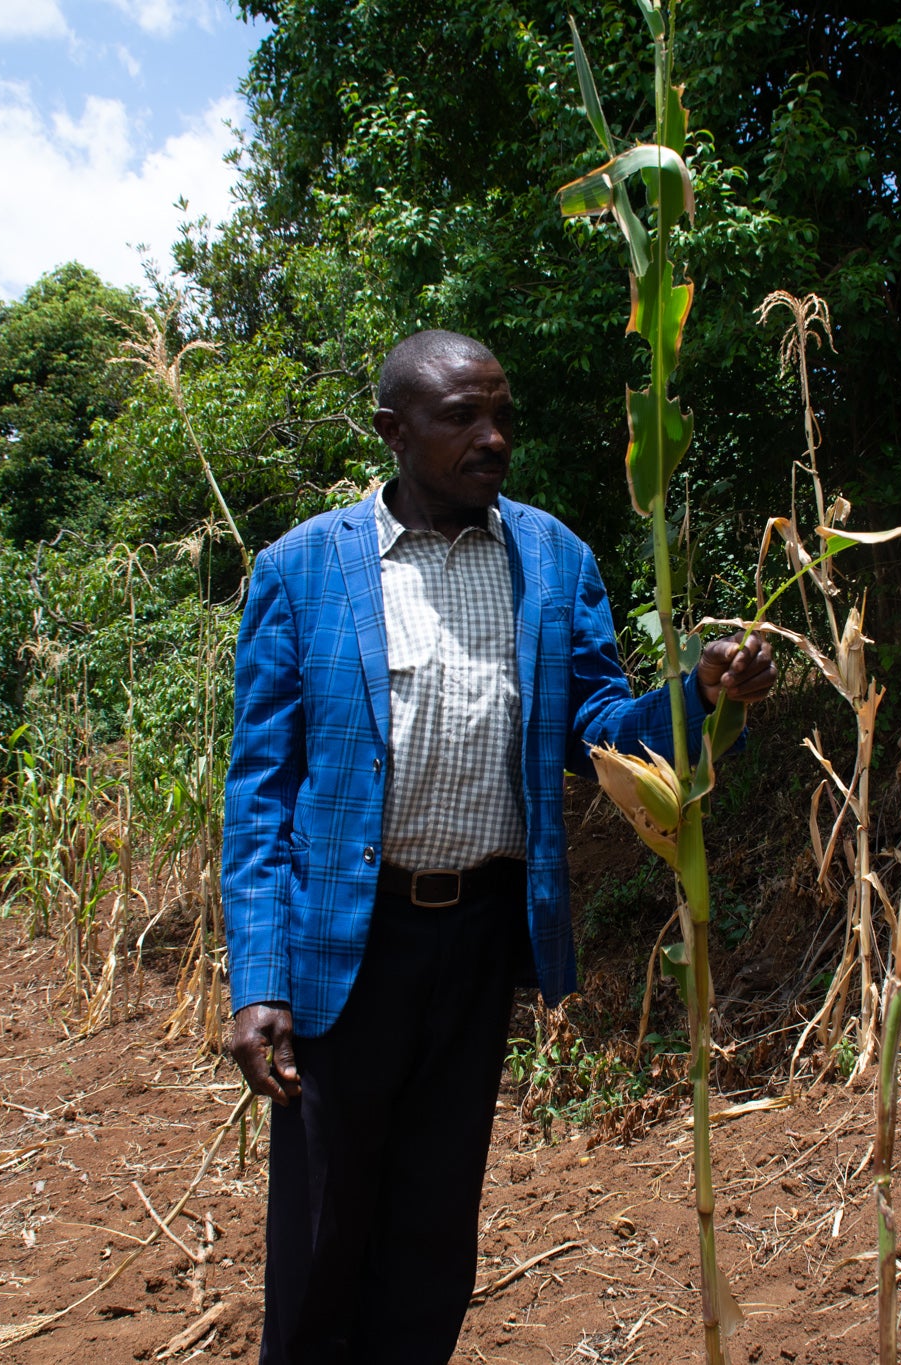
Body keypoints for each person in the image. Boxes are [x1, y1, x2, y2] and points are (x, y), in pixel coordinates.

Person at [222, 329, 776, 1364]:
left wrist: (699, 698)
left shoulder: (552, 558)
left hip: (476, 942)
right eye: (461, 418)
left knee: (434, 1226)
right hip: (345, 948)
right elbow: (260, 794)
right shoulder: (300, 571)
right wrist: (257, 982)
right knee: (322, 1230)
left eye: (502, 416)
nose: (493, 438)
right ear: (392, 431)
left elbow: (598, 733)